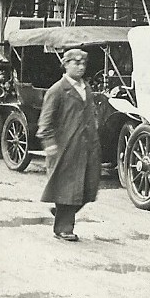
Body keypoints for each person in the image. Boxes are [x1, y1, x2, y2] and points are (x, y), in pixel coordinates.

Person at [37, 48, 101, 242]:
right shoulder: (58, 90)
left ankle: (61, 210)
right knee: (68, 187)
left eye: (83, 64)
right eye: (76, 63)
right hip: (66, 147)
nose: (81, 67)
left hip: (87, 146)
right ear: (65, 64)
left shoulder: (86, 88)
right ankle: (64, 228)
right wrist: (49, 144)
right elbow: (45, 121)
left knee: (89, 187)